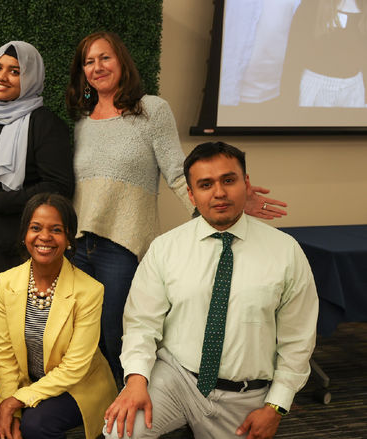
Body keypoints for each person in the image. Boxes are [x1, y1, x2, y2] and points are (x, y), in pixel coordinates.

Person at [65, 31, 288, 384]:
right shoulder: (81, 123)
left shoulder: (150, 110)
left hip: (122, 246)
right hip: (78, 247)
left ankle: (135, 411)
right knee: (85, 338)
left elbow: (176, 171)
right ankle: (104, 410)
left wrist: (226, 205)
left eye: (104, 57)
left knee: (119, 336)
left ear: (121, 61)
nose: (97, 67)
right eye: (88, 62)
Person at [103, 142, 318, 439]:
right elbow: (141, 323)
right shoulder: (166, 248)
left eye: (228, 180)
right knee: (119, 433)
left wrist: (275, 408)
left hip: (245, 395)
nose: (219, 193)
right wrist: (136, 380)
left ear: (246, 184)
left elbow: (298, 341)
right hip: (176, 379)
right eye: (205, 185)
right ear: (192, 195)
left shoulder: (286, 252)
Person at [0, 41, 74, 430]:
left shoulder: (46, 124)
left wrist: (5, 200)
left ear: (31, 77)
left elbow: (59, 187)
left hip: (27, 250)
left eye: (14, 70)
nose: (2, 77)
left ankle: (23, 418)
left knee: (24, 339)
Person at [0, 193, 117, 439]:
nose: (45, 237)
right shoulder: (5, 283)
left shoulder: (90, 291)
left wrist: (14, 402)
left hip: (79, 387)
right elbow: (4, 355)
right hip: (32, 384)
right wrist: (9, 408)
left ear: (69, 237)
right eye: (35, 228)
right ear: (24, 234)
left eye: (56, 229)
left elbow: (74, 368)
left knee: (36, 424)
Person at [281, 0, 367, 107]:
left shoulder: (363, 8)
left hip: (353, 92)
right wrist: (288, 102)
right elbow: (293, 57)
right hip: (315, 91)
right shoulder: (313, 5)